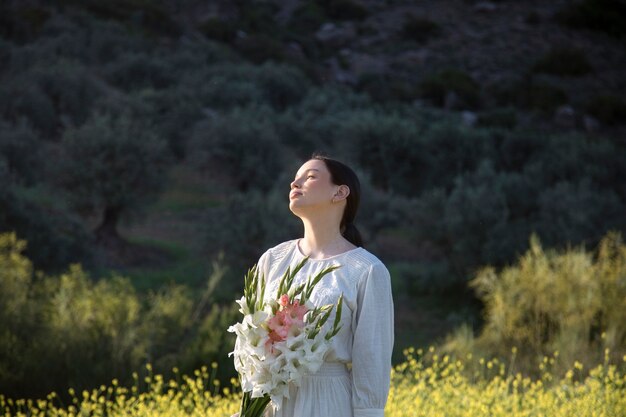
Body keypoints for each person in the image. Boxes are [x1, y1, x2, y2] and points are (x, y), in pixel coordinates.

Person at [233, 153, 394, 417]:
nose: (294, 184)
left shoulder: (367, 270)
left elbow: (372, 360)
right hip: (272, 401)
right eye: (294, 179)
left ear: (340, 192)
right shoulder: (273, 260)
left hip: (328, 403)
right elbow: (253, 344)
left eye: (309, 177)